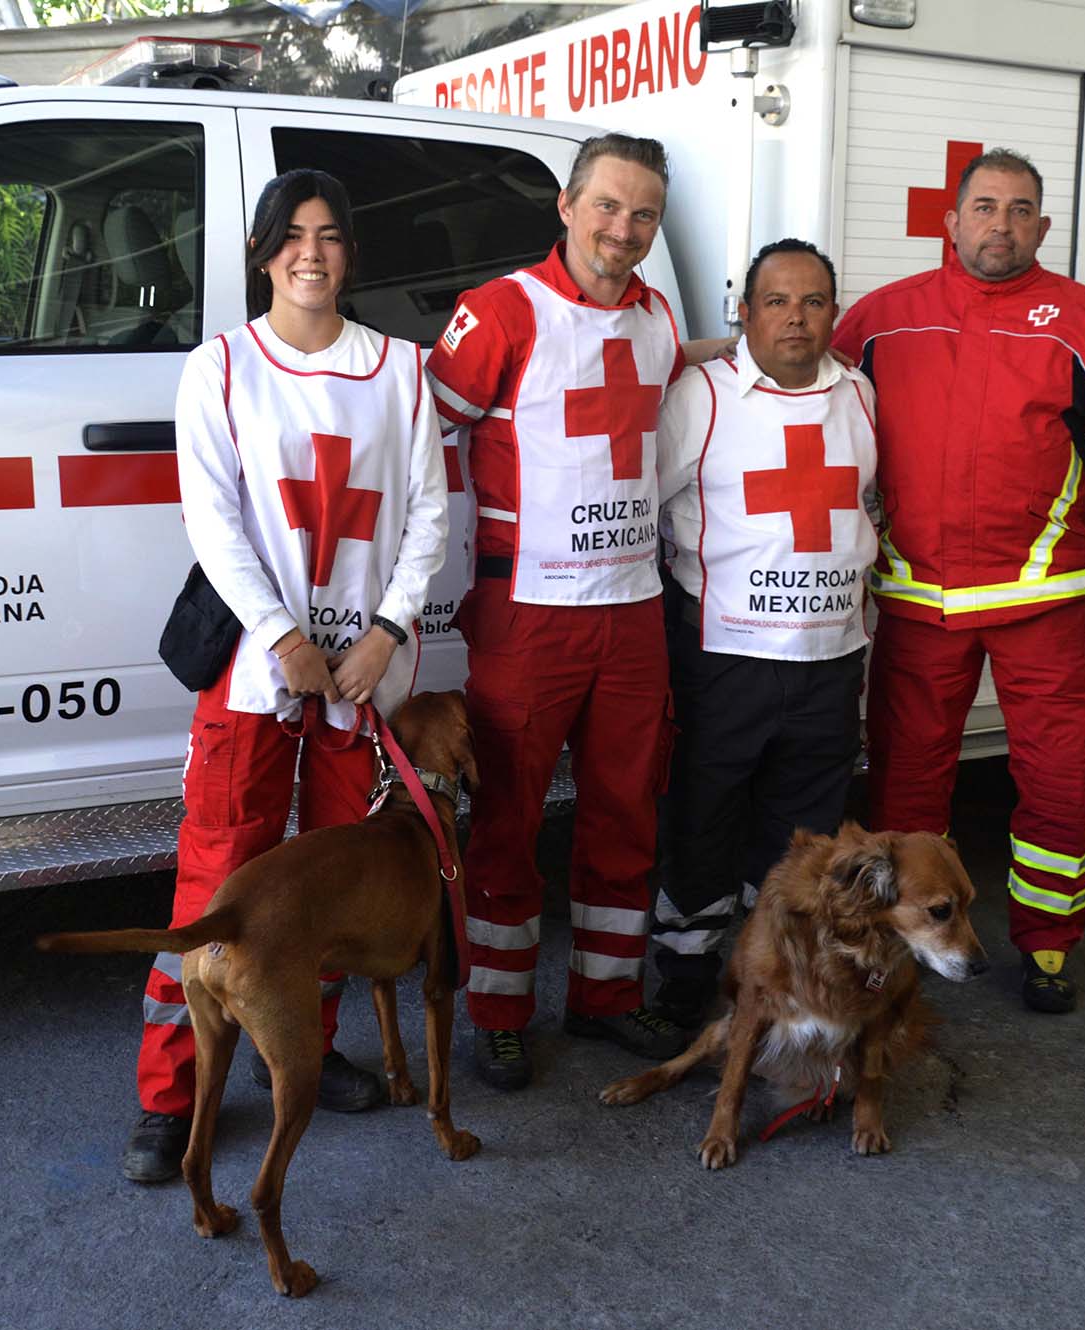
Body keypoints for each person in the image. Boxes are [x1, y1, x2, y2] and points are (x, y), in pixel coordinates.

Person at [124, 169, 448, 1182]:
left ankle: (295, 1052)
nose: (311, 251)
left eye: (330, 234)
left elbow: (430, 512)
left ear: (350, 252)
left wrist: (385, 632)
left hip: (361, 672)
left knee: (331, 878)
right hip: (255, 671)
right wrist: (280, 634)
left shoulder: (399, 369)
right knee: (219, 878)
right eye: (291, 235)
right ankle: (169, 1096)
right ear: (263, 252)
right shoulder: (218, 369)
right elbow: (211, 518)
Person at [830, 147, 1085, 1013]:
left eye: (1021, 210)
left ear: (1044, 226)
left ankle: (1049, 944)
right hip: (915, 600)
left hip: (1049, 605)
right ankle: (900, 940)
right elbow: (805, 405)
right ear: (951, 222)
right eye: (985, 207)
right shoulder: (879, 320)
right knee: (905, 795)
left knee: (1060, 782)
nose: (1002, 225)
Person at [426, 133, 728, 1090]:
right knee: (508, 818)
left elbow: (675, 383)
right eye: (607, 206)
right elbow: (420, 439)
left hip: (633, 609)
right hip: (528, 613)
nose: (624, 229)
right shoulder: (499, 312)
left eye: (643, 214)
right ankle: (501, 1013)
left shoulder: (655, 319)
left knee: (623, 815)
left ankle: (604, 997)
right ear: (566, 205)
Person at [648, 238, 880, 1028]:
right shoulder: (701, 397)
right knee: (704, 814)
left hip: (829, 658)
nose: (795, 317)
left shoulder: (860, 395)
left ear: (834, 315)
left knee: (804, 836)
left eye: (813, 302)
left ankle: (779, 966)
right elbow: (644, 500)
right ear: (743, 312)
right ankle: (685, 968)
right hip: (724, 657)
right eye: (776, 301)